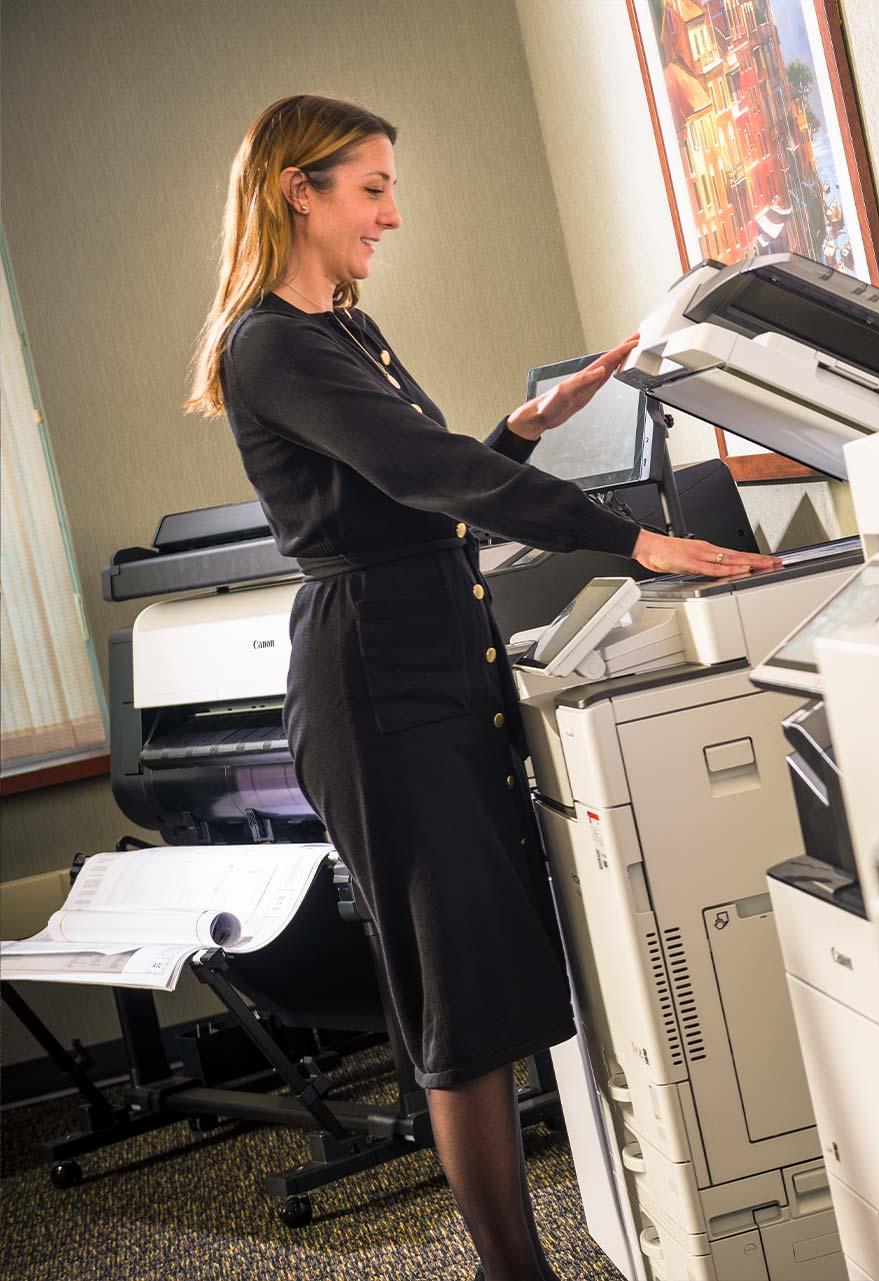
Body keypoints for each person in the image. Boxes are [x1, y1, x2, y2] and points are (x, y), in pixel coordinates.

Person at [185, 94, 779, 1280]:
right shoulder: (271, 342)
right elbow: (417, 470)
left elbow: (417, 480)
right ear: (298, 190)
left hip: (438, 675)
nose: (391, 215)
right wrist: (632, 539)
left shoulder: (344, 327)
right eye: (370, 189)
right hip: (377, 691)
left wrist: (521, 427)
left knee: (491, 984)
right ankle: (516, 1273)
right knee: (459, 1011)